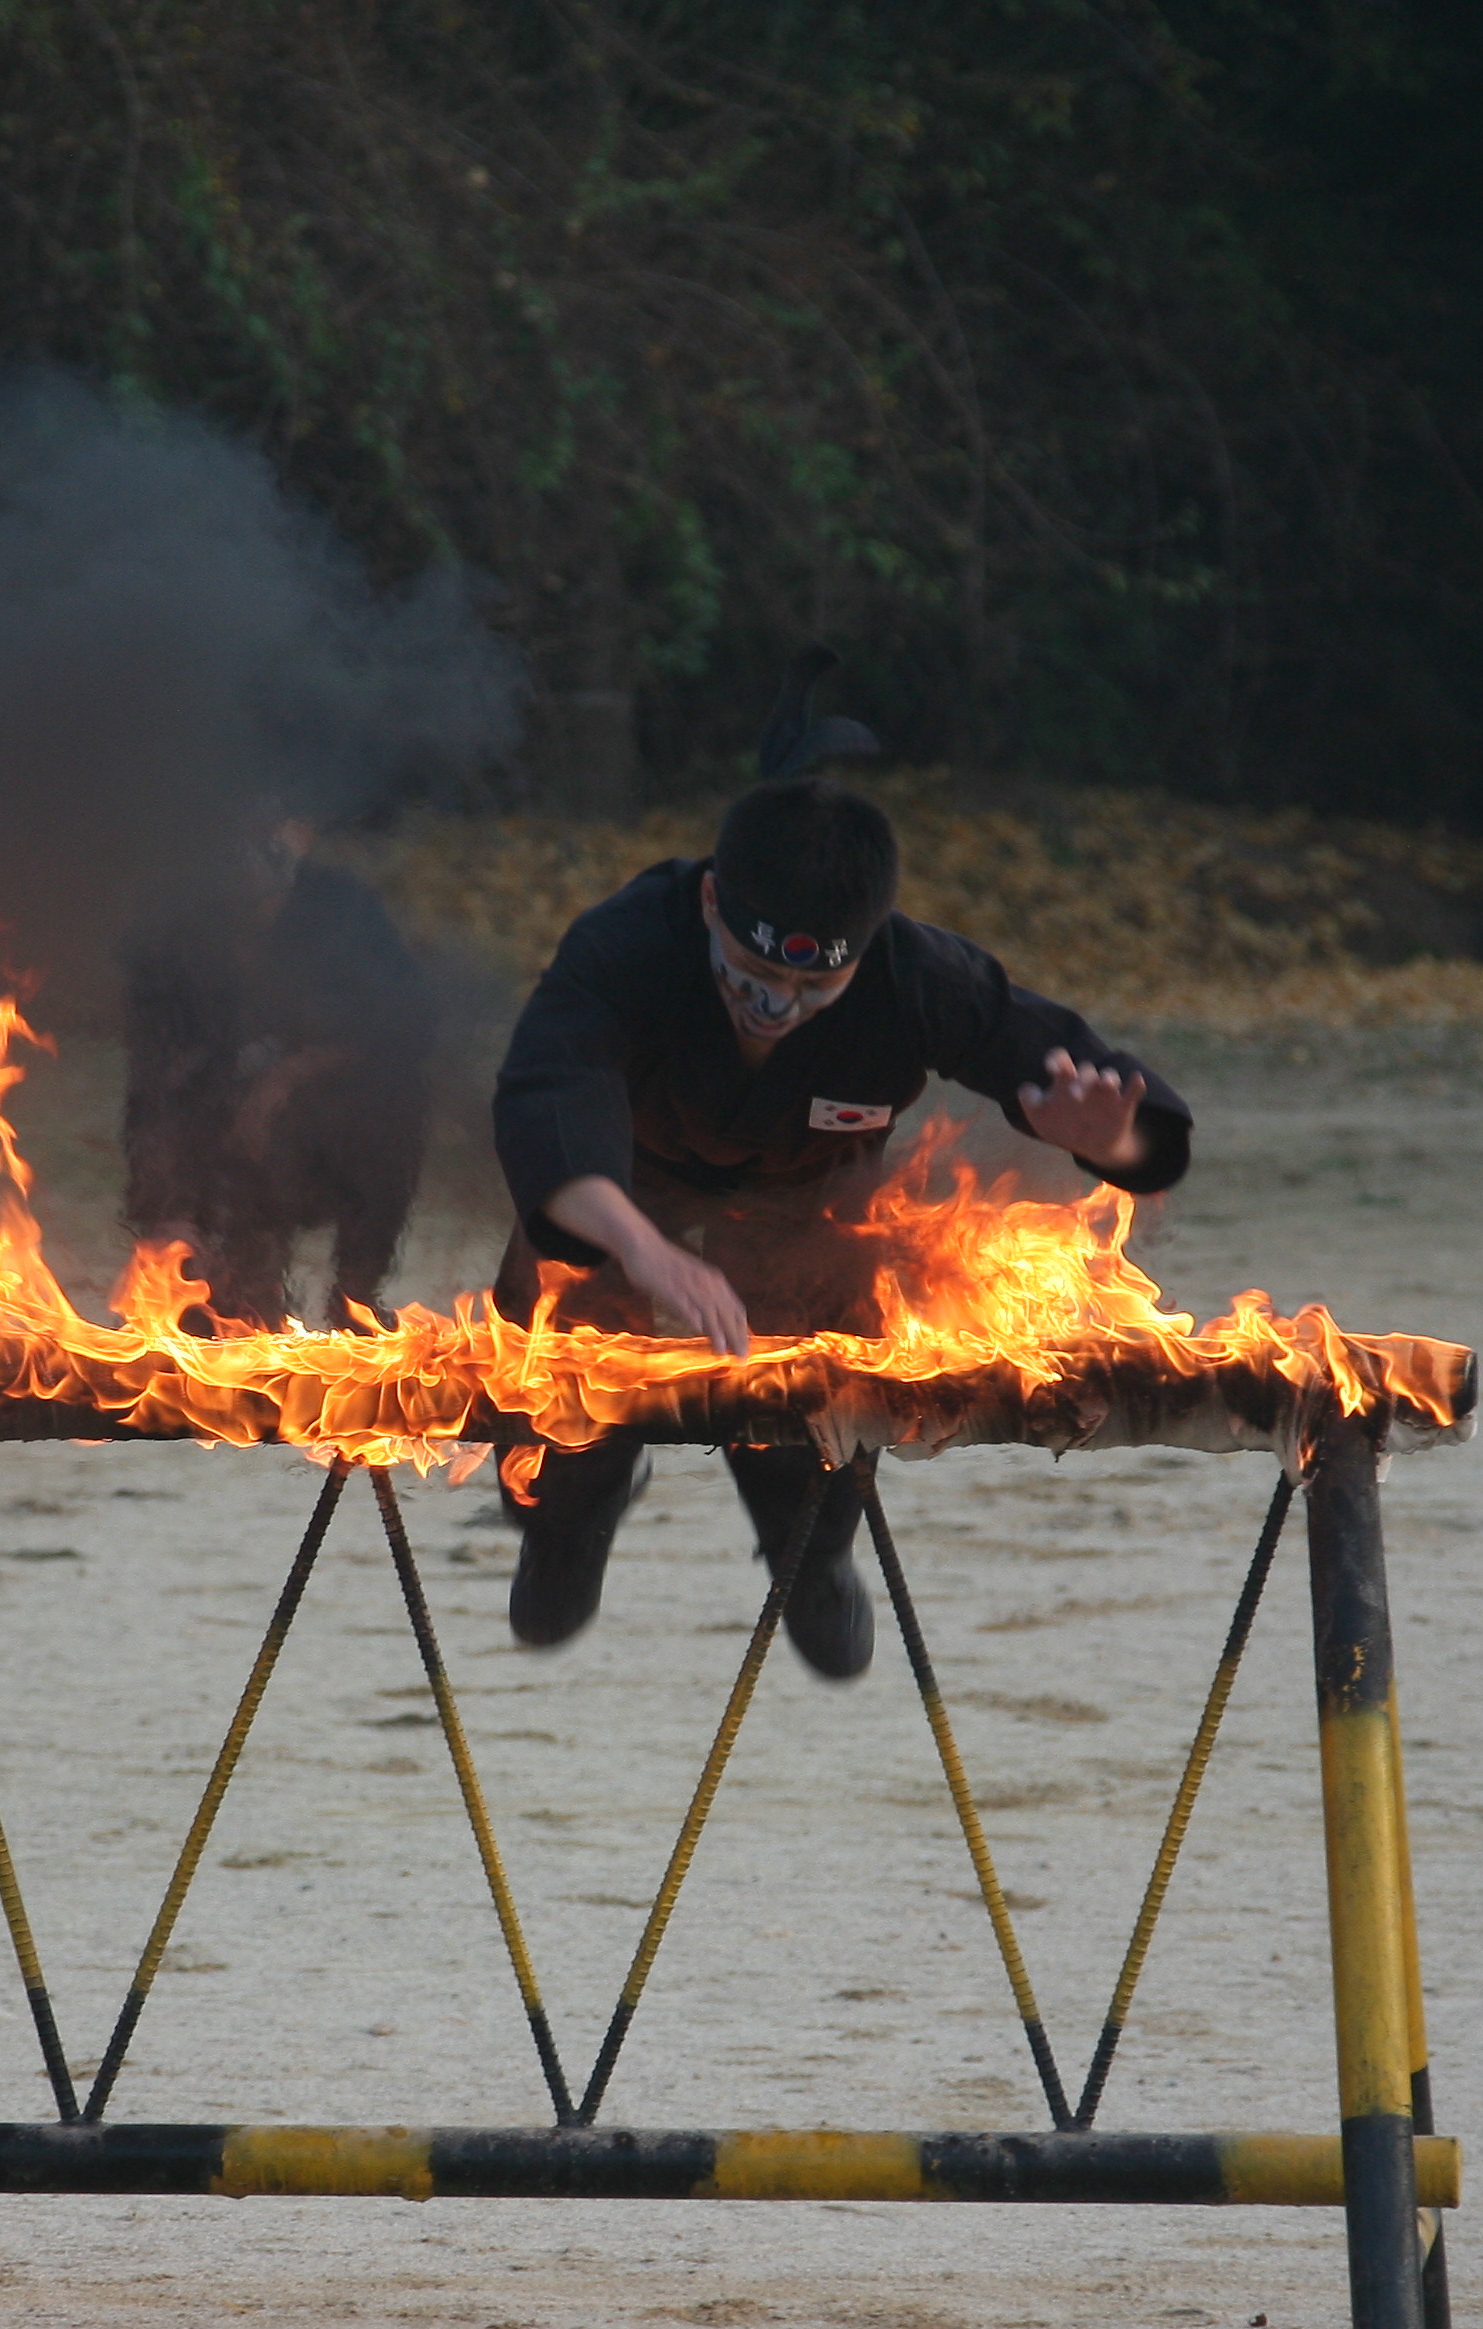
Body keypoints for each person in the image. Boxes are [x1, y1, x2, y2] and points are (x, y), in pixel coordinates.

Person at [485, 650, 1193, 1676]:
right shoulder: (628, 939)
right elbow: (549, 1090)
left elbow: (1109, 1093)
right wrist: (645, 1249)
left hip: (808, 1208)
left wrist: (1108, 1136)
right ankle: (566, 1520)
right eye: (751, 975)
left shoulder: (919, 977)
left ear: (859, 959)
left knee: (811, 1419)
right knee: (557, 1377)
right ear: (713, 905)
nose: (773, 1007)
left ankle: (812, 1548)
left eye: (808, 991)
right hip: (618, 1193)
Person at [117, 803, 441, 1328]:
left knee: (395, 1099)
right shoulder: (178, 929)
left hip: (331, 1130)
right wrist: (166, 1211)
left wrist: (286, 1080)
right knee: (217, 1319)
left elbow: (405, 1027)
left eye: (274, 830)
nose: (254, 849)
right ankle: (236, 1290)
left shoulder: (345, 910)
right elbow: (153, 1076)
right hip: (217, 1145)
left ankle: (355, 1296)